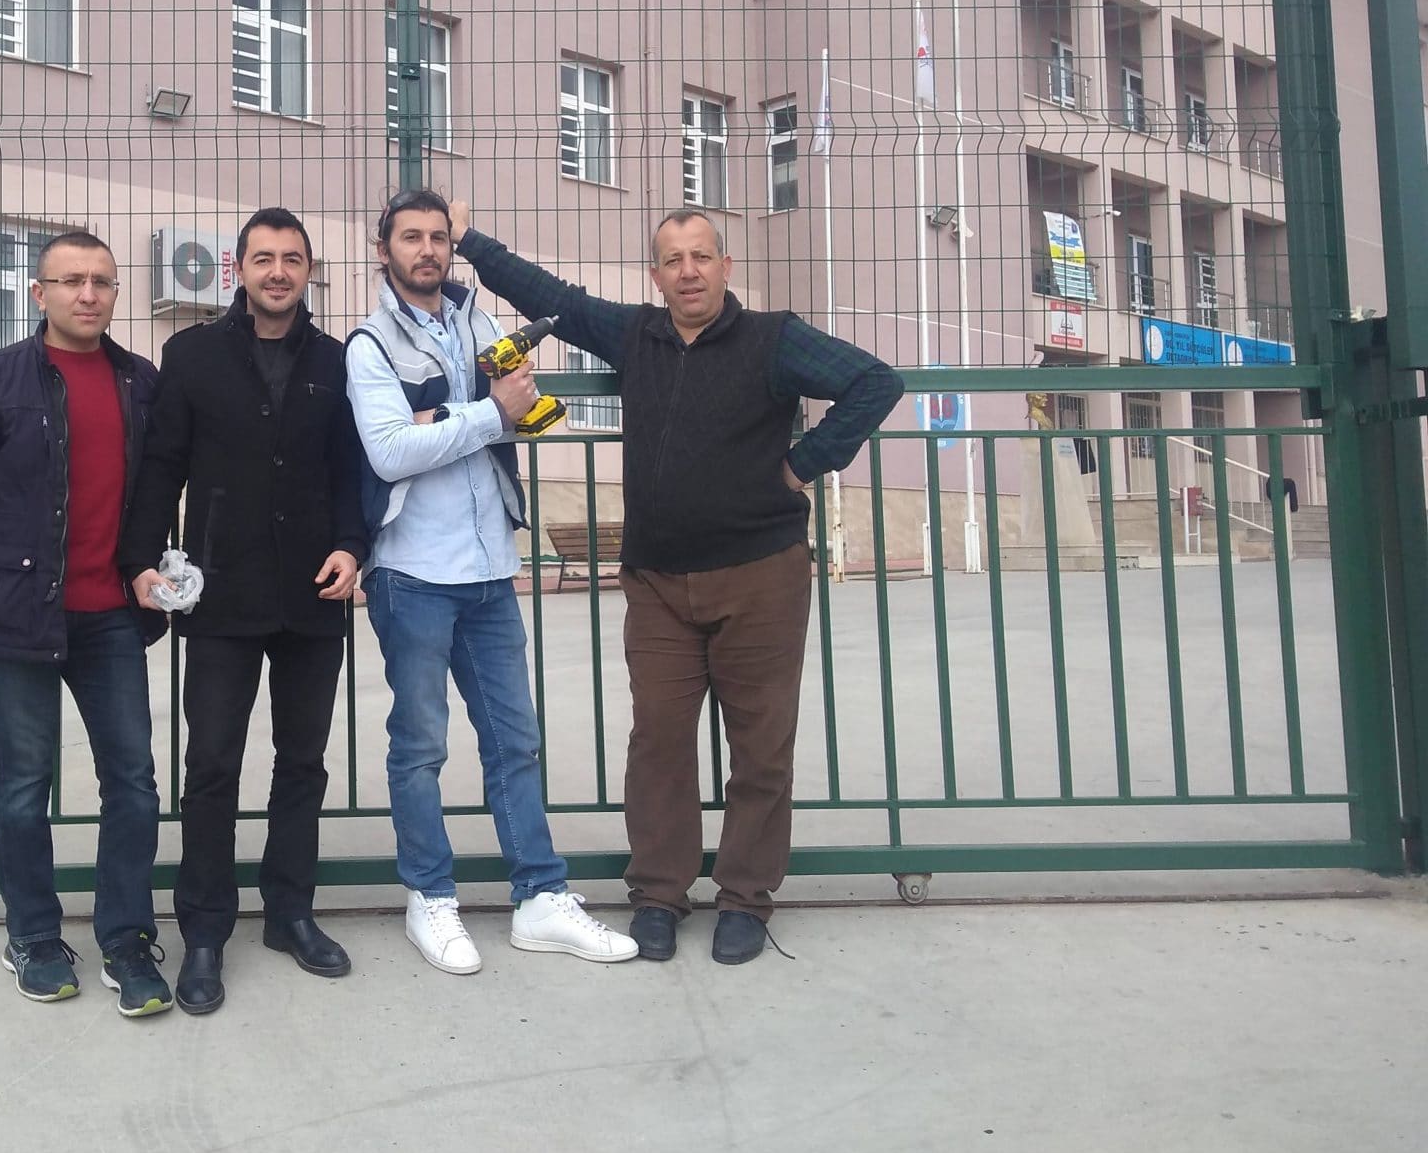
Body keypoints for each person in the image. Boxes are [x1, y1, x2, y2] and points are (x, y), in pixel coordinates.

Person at [451, 202, 903, 965]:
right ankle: (659, 894)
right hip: (658, 582)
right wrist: (467, 240)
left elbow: (874, 382)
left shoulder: (773, 338)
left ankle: (745, 899)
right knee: (658, 742)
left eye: (701, 256)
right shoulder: (638, 334)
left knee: (761, 748)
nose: (688, 271)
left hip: (760, 576)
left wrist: (805, 463)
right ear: (655, 276)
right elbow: (551, 297)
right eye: (673, 259)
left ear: (726, 266)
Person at [344, 187, 638, 974]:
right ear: (384, 250)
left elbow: (513, 409)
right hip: (411, 571)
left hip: (490, 569)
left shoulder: (478, 323)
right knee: (420, 746)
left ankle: (540, 898)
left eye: (439, 237)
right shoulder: (370, 344)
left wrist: (465, 416)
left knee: (516, 741)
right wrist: (485, 415)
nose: (427, 250)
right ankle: (429, 898)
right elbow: (389, 453)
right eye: (411, 237)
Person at [0, 229, 174, 1018]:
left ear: (116, 292)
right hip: (19, 615)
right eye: (70, 281)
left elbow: (157, 492)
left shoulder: (141, 381)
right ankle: (32, 936)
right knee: (24, 786)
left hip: (112, 618)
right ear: (40, 293)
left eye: (101, 281)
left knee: (132, 784)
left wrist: (154, 566)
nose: (87, 294)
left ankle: (126, 940)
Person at [119, 207, 368, 1016]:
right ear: (239, 270)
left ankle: (290, 912)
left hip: (312, 593)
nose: (278, 272)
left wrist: (352, 546)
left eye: (292, 258)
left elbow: (350, 470)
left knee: (302, 762)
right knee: (212, 765)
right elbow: (162, 467)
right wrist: (143, 560)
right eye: (264, 258)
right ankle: (204, 930)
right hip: (221, 593)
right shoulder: (191, 356)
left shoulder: (335, 360)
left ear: (308, 271)